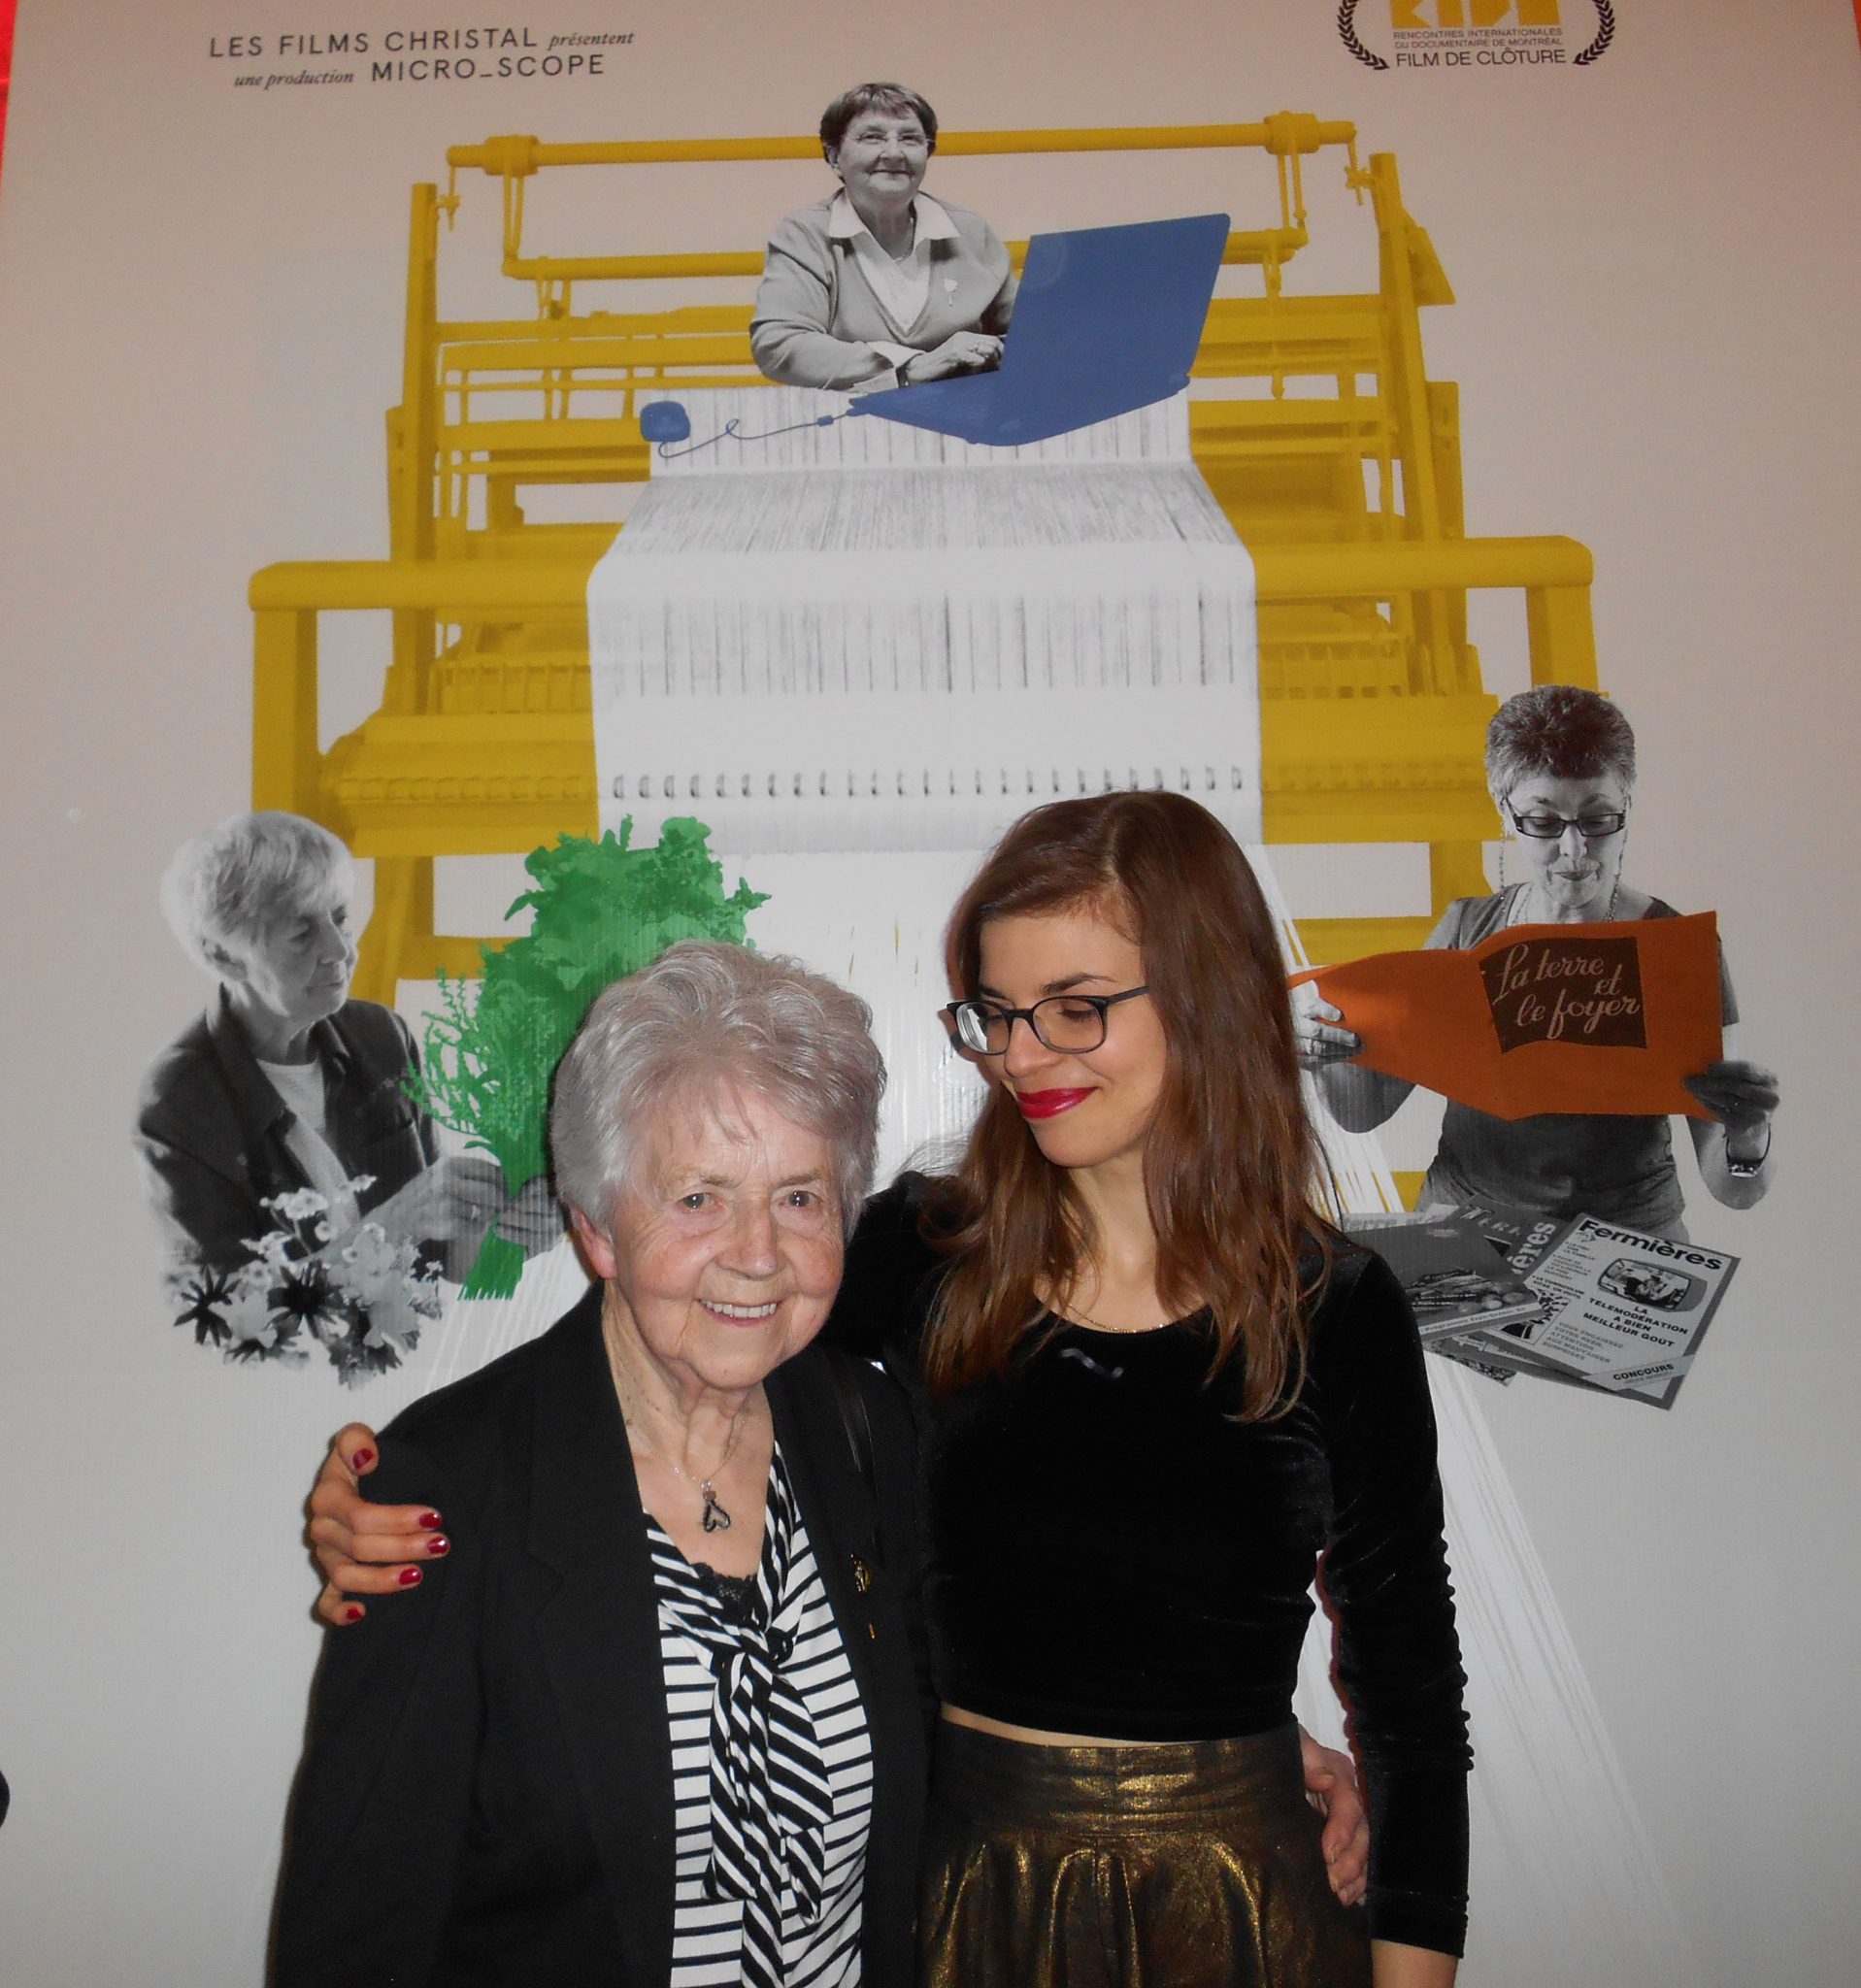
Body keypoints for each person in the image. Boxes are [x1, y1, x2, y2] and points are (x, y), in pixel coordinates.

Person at [307, 794, 1444, 1984]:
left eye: (1075, 1006)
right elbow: (670, 1337)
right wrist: (402, 1477)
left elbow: (1389, 1678)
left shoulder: (1327, 1308)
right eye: (1001, 1012)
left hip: (1235, 1902)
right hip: (982, 1914)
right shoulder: (937, 1258)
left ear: (1207, 996)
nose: (1022, 1055)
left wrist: (1238, 1749)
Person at [274, 943, 931, 1986]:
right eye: (699, 1198)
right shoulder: (449, 1490)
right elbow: (359, 1932)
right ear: (597, 1229)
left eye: (800, 1197)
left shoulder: (869, 1433)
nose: (759, 1253)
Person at [1297, 686, 1779, 1238]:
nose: (1574, 851)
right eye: (1545, 823)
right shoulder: (1466, 929)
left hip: (1625, 1235)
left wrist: (1747, 1135)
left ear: (1627, 803)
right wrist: (1324, 1053)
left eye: (1598, 820)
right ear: (1504, 810)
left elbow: (1735, 1190)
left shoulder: (1678, 951)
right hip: (1467, 1224)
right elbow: (1363, 1113)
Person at [135, 812, 553, 1288]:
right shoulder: (177, 1104)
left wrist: (513, 1236)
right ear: (223, 955)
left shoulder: (381, 1036)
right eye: (301, 934)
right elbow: (234, 1313)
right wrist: (395, 1222)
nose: (339, 950)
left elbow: (437, 1259)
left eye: (339, 918)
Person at [750, 83, 1016, 391]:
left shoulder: (971, 232)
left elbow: (1033, 338)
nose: (893, 153)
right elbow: (779, 344)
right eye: (872, 137)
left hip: (964, 414)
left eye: (910, 138)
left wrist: (984, 355)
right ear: (834, 156)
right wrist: (909, 367)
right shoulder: (805, 233)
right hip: (851, 417)